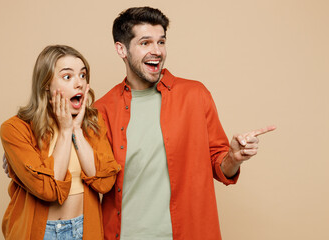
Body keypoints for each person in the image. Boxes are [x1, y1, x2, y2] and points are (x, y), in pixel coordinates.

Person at [94, 6, 276, 240]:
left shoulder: (195, 95)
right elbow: (95, 180)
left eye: (161, 42)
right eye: (145, 43)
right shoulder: (102, 109)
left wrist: (233, 158)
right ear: (121, 49)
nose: (156, 51)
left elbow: (219, 165)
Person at [0, 45, 121, 239]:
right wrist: (65, 131)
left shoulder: (92, 122)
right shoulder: (15, 129)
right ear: (46, 84)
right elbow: (48, 189)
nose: (79, 83)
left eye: (83, 75)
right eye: (67, 76)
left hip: (84, 229)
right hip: (40, 232)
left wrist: (76, 130)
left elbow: (104, 182)